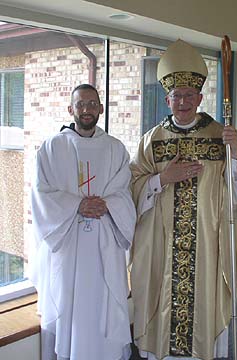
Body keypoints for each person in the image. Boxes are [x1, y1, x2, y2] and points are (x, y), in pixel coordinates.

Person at [130, 39, 237, 360]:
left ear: (200, 98)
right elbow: (132, 187)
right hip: (162, 244)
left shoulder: (220, 136)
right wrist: (162, 179)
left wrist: (236, 153)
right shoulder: (152, 141)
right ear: (166, 99)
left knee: (204, 308)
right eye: (176, 96)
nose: (182, 101)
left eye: (189, 95)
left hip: (206, 244)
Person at [30, 84, 136, 360]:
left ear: (101, 108)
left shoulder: (115, 148)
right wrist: (77, 204)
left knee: (101, 308)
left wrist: (108, 204)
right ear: (71, 109)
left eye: (92, 104)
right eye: (81, 105)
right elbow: (41, 195)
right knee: (71, 307)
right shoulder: (52, 148)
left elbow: (124, 192)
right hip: (69, 248)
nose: (86, 110)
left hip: (104, 243)